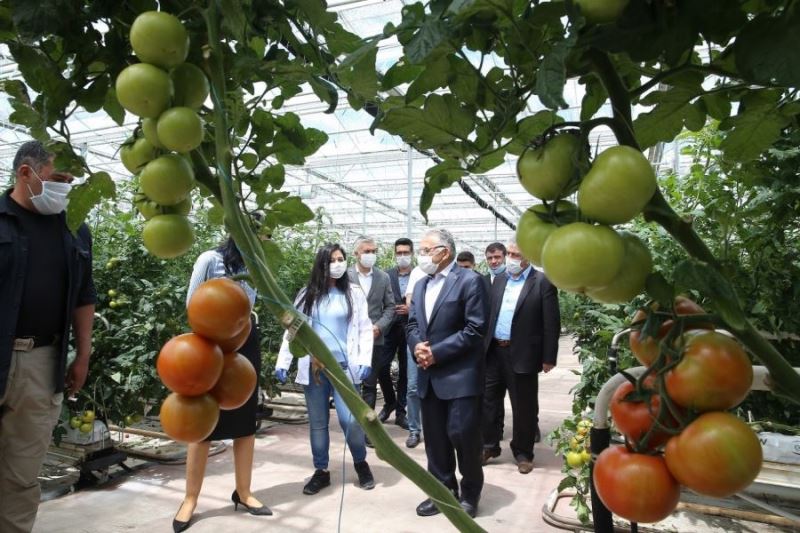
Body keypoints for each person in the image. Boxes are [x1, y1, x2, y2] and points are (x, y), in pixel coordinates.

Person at [0, 141, 96, 533]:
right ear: (25, 173)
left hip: (42, 361)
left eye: (70, 180)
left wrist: (83, 354)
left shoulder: (75, 230)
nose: (65, 188)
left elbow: (84, 295)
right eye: (58, 178)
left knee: (22, 473)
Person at [173, 236, 270, 532]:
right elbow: (192, 305)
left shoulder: (255, 265)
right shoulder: (209, 260)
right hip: (210, 344)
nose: (263, 240)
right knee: (203, 421)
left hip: (245, 342)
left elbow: (251, 307)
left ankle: (244, 492)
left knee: (245, 420)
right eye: (259, 234)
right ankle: (190, 499)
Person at [274, 243, 375, 495]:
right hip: (315, 368)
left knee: (350, 420)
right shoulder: (306, 294)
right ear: (322, 264)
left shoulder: (353, 293)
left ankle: (361, 463)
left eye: (341, 259)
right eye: (333, 260)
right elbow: (293, 330)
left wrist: (365, 359)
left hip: (344, 369)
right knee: (318, 423)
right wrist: (283, 362)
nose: (338, 264)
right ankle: (321, 471)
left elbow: (364, 328)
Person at [407, 229, 488, 518]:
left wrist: (437, 352)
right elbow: (412, 324)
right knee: (436, 440)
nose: (422, 256)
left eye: (426, 250)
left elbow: (475, 329)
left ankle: (470, 494)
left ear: (445, 252)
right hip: (429, 375)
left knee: (463, 436)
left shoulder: (470, 281)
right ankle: (443, 492)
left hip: (460, 375)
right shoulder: (421, 285)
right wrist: (417, 346)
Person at [481, 241, 560, 474]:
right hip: (494, 351)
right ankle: (489, 446)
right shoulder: (500, 280)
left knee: (524, 406)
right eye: (510, 254)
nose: (510, 258)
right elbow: (490, 314)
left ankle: (523, 452)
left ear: (528, 257)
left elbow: (551, 322)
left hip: (523, 353)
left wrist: (549, 356)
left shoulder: (542, 282)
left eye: (516, 254)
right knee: (487, 401)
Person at [347, 236, 395, 440]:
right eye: (366, 251)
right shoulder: (346, 276)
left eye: (374, 251)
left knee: (369, 384)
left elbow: (390, 307)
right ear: (356, 254)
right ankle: (352, 425)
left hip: (374, 339)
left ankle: (368, 431)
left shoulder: (383, 277)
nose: (371, 255)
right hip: (350, 338)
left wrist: (379, 326)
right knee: (350, 383)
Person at [379, 238, 414, 430]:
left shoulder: (420, 275)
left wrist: (411, 309)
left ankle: (401, 412)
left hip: (410, 327)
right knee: (381, 366)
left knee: (406, 370)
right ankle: (390, 401)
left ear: (412, 253)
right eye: (399, 253)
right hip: (390, 327)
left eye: (405, 252)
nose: (402, 256)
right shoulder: (387, 275)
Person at [403, 263, 429, 448]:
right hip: (416, 341)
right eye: (424, 250)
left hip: (440, 342)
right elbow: (410, 307)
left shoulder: (452, 277)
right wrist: (417, 343)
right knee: (413, 387)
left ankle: (437, 429)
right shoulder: (417, 274)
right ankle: (414, 429)